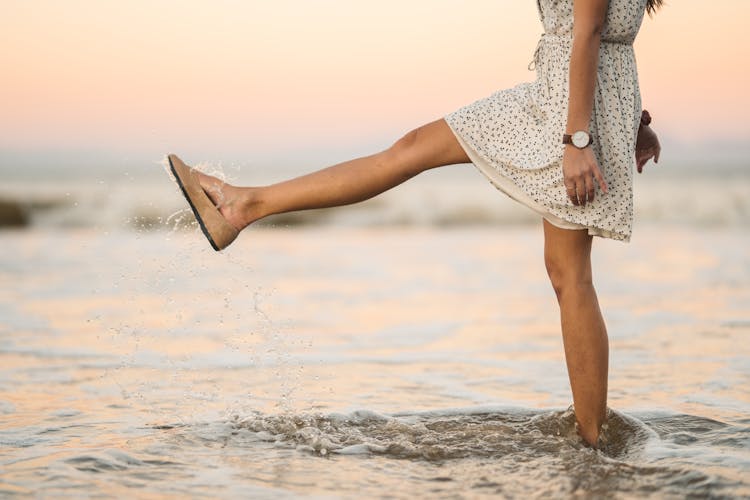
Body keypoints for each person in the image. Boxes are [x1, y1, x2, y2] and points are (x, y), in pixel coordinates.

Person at [166, 0, 662, 447]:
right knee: (560, 268)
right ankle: (592, 437)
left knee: (567, 273)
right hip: (568, 105)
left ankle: (592, 440)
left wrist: (579, 140)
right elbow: (607, 31)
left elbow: (591, 31)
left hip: (563, 116)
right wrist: (625, 123)